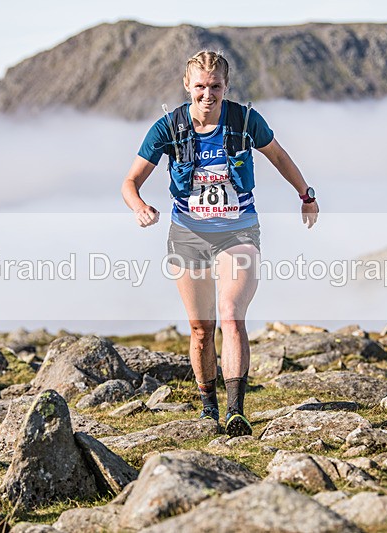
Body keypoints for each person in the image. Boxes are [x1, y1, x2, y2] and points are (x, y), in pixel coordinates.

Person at [121, 50, 318, 436]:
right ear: (186, 85)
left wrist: (306, 195)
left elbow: (278, 156)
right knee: (200, 328)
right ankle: (208, 404)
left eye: (215, 87)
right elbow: (129, 183)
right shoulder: (168, 127)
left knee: (230, 314)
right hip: (188, 233)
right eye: (200, 87)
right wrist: (140, 207)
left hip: (238, 231)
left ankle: (236, 411)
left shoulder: (245, 121)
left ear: (226, 87)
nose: (207, 95)